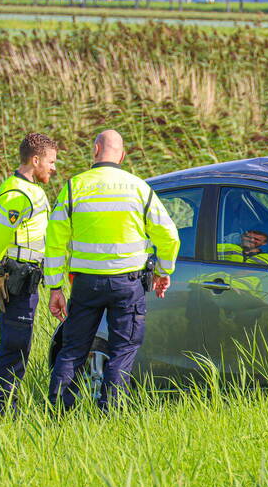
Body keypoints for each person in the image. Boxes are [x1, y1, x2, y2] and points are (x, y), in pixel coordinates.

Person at [43, 130, 180, 411]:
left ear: (95, 150)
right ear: (122, 155)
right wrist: (163, 271)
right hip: (127, 284)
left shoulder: (73, 188)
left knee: (72, 350)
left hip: (85, 285)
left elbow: (54, 244)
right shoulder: (139, 188)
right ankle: (111, 412)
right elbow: (169, 236)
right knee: (122, 350)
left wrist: (54, 287)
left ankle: (57, 413)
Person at [0, 133, 58, 418]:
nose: (53, 168)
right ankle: (0, 412)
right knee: (14, 348)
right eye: (50, 161)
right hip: (17, 280)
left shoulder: (31, 190)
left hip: (30, 278)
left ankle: (6, 408)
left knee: (20, 348)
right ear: (35, 160)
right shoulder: (16, 194)